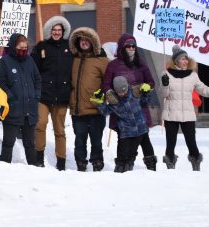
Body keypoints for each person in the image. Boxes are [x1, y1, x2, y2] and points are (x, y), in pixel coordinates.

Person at [160, 45, 209, 171]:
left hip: (188, 115)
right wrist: (165, 84)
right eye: (183, 59)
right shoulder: (166, 74)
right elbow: (163, 94)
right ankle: (170, 165)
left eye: (187, 59)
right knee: (170, 144)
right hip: (171, 114)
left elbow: (205, 90)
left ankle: (196, 162)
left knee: (192, 143)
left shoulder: (193, 75)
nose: (186, 61)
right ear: (176, 61)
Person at [103, 34, 157, 170]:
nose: (131, 48)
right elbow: (106, 84)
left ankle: (151, 166)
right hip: (121, 107)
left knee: (144, 137)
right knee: (123, 138)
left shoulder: (141, 63)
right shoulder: (113, 65)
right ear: (122, 47)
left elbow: (151, 81)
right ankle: (124, 164)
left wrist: (147, 87)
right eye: (128, 46)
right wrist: (110, 95)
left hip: (140, 106)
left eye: (133, 46)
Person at [30, 16, 73, 170]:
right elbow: (33, 68)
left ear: (63, 31)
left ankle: (61, 162)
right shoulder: (42, 47)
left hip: (61, 96)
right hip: (44, 94)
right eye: (54, 30)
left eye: (59, 30)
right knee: (40, 125)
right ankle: (39, 157)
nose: (56, 32)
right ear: (50, 31)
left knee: (59, 130)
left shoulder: (70, 48)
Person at [0, 33, 41, 165]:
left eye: (25, 48)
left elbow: (38, 79)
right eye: (20, 48)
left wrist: (36, 94)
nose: (23, 50)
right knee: (8, 142)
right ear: (13, 46)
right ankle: (4, 167)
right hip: (12, 109)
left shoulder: (30, 60)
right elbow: (0, 82)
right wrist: (9, 96)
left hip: (29, 110)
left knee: (30, 143)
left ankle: (33, 168)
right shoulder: (4, 62)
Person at [92, 76, 154, 172]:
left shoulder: (134, 93)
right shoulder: (114, 101)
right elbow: (105, 112)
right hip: (126, 131)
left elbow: (146, 101)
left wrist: (146, 93)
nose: (122, 94)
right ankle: (120, 170)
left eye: (124, 91)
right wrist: (100, 102)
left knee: (134, 152)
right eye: (119, 92)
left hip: (140, 128)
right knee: (123, 153)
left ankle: (143, 169)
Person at [68, 27, 109, 171]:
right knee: (80, 139)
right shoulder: (73, 59)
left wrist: (104, 94)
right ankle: (80, 162)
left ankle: (97, 161)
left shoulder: (102, 60)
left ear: (93, 42)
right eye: (81, 40)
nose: (84, 42)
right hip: (78, 108)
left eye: (87, 40)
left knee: (96, 140)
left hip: (96, 109)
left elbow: (108, 80)